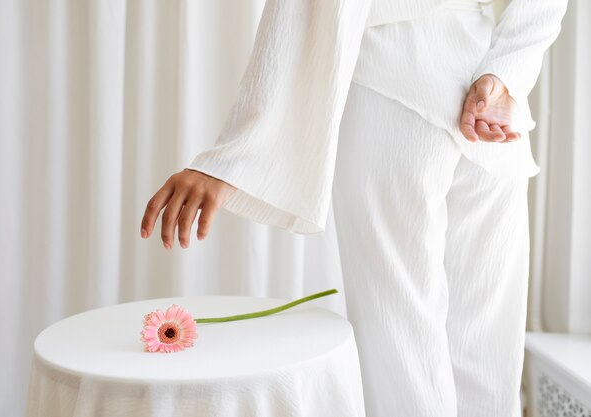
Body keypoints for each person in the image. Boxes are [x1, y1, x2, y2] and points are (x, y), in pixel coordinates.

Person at [140, 0, 568, 415]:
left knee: (402, 356)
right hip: (489, 94)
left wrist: (232, 156)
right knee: (487, 348)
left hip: (391, 84)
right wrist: (505, 73)